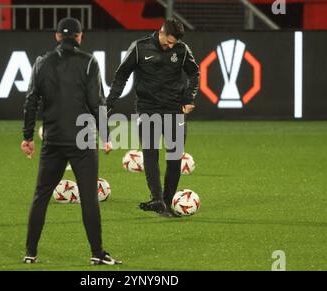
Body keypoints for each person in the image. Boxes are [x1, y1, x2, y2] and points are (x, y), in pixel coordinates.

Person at [20, 18, 121, 265]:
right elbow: (97, 102)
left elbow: (31, 100)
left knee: (41, 195)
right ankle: (97, 254)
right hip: (83, 140)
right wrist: (106, 136)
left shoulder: (41, 63)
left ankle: (30, 253)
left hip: (53, 139)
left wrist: (27, 137)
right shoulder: (88, 62)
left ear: (57, 37)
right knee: (88, 197)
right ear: (79, 36)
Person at [107, 19, 200, 217]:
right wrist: (110, 102)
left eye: (174, 43)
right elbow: (121, 74)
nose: (171, 46)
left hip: (175, 110)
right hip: (147, 109)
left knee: (175, 158)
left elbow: (194, 74)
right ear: (161, 32)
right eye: (169, 41)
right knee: (151, 154)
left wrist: (188, 97)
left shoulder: (182, 50)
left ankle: (166, 202)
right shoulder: (140, 48)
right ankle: (157, 199)